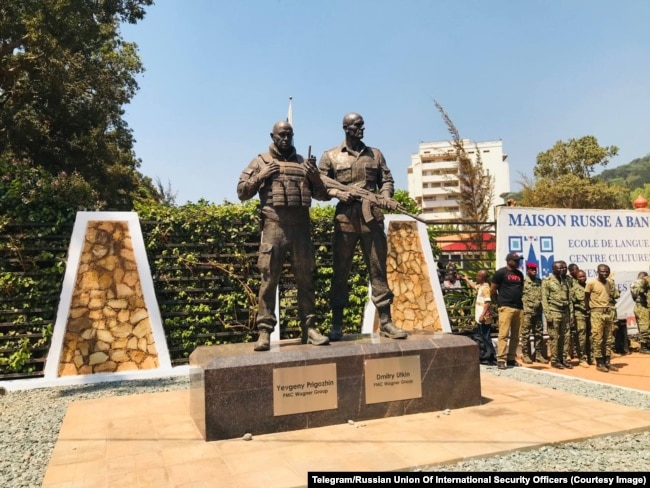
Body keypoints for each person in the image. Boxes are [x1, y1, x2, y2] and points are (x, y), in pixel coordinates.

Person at [237, 121, 330, 351]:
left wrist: (315, 177)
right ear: (272, 135)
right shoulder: (260, 161)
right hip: (274, 227)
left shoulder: (303, 162)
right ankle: (264, 332)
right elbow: (241, 192)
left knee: (306, 280)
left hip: (301, 229)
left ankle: (310, 328)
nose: (285, 139)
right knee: (269, 281)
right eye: (281, 134)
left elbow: (323, 196)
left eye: (289, 134)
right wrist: (261, 176)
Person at [318, 112, 407, 341]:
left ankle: (386, 322)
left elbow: (386, 180)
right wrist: (338, 193)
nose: (362, 128)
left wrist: (386, 195)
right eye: (358, 125)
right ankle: (337, 324)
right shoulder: (330, 156)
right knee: (340, 273)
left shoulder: (375, 155)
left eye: (362, 124)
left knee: (378, 272)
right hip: (345, 220)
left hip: (372, 220)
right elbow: (318, 187)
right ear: (346, 128)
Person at [490, 253, 524, 370]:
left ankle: (511, 359)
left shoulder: (519, 274)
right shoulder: (501, 273)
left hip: (519, 308)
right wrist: (499, 303)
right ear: (509, 261)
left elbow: (521, 290)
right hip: (506, 307)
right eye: (515, 260)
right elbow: (493, 290)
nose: (517, 262)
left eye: (518, 260)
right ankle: (501, 359)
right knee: (503, 334)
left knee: (516, 336)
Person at [584, 264, 620, 372]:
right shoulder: (591, 283)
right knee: (597, 338)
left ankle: (607, 362)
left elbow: (614, 295)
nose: (604, 273)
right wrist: (588, 310)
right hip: (596, 313)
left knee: (608, 338)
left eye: (606, 272)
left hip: (608, 312)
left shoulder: (609, 283)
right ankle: (599, 362)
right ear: (597, 272)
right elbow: (586, 298)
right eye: (602, 271)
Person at [542, 261, 573, 369]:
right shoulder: (547, 281)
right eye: (559, 268)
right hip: (554, 311)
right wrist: (548, 315)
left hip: (565, 312)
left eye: (563, 268)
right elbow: (544, 299)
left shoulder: (566, 281)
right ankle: (555, 360)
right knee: (554, 337)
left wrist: (571, 314)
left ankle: (563, 358)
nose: (562, 270)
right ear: (553, 269)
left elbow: (570, 299)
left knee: (565, 337)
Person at [520, 262, 545, 364]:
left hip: (538, 311)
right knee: (525, 334)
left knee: (538, 333)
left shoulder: (539, 282)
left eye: (535, 269)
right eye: (531, 269)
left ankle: (538, 354)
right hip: (527, 311)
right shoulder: (524, 282)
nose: (534, 271)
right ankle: (525, 354)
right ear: (527, 270)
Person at [464, 270, 493, 341]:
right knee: (482, 334)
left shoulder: (485, 289)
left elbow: (488, 302)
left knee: (485, 336)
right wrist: (466, 279)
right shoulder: (481, 286)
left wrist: (482, 315)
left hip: (484, 316)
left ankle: (489, 351)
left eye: (478, 276)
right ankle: (486, 351)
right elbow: (474, 286)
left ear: (482, 278)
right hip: (481, 315)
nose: (476, 277)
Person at [570, 269, 592, 366]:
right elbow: (571, 303)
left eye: (584, 276)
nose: (582, 278)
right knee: (581, 336)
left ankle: (591, 357)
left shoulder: (590, 287)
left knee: (591, 336)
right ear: (577, 278)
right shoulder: (574, 289)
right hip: (579, 314)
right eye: (580, 277)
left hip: (590, 314)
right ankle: (582, 358)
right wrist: (572, 315)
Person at [630, 271, 649, 354]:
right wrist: (644, 280)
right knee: (644, 327)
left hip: (646, 306)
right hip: (642, 307)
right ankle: (644, 347)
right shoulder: (638, 283)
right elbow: (637, 290)